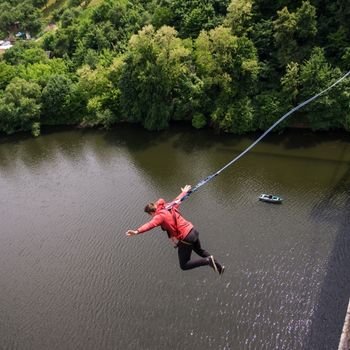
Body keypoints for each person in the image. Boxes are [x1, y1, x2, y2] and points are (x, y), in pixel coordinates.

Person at [126, 185, 225, 275]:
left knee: (184, 265)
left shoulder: (159, 216)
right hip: (193, 230)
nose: (151, 217)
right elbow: (179, 199)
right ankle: (219, 267)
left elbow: (150, 225)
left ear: (151, 213)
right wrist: (184, 192)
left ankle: (208, 261)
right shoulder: (168, 206)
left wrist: (137, 231)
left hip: (186, 237)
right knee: (199, 250)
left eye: (150, 215)